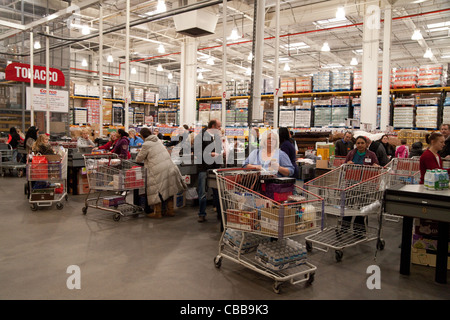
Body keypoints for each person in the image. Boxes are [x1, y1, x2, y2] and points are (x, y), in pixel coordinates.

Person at [136, 127, 187, 218]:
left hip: (157, 169)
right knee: (168, 188)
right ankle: (170, 210)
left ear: (142, 136)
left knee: (156, 190)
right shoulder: (158, 140)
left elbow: (139, 159)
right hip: (169, 166)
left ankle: (157, 213)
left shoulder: (146, 144)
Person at [344, 135, 379, 238]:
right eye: (358, 143)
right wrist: (347, 164)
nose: (360, 145)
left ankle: (359, 231)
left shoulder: (371, 155)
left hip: (365, 185)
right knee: (348, 206)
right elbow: (344, 166)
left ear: (366, 144)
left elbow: (377, 166)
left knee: (362, 208)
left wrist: (376, 166)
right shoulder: (351, 153)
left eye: (362, 143)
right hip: (351, 184)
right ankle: (344, 227)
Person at [194, 119, 223, 223]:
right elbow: (197, 152)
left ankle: (220, 214)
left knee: (218, 191)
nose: (220, 129)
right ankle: (202, 214)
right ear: (213, 126)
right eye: (219, 127)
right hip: (203, 168)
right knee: (202, 192)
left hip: (215, 168)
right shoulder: (200, 136)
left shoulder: (217, 137)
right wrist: (210, 154)